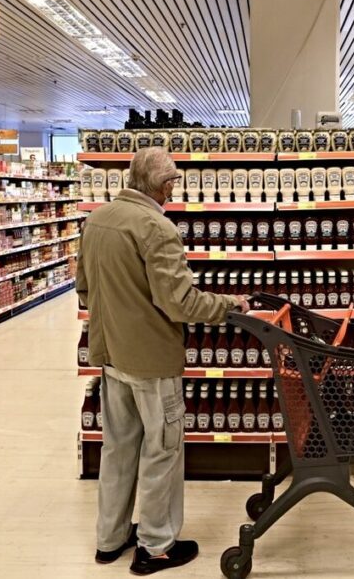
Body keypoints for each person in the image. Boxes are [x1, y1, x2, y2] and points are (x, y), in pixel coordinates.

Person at [76, 147, 249, 575]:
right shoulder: (156, 227)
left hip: (111, 355)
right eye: (174, 180)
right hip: (152, 361)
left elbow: (84, 288)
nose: (175, 187)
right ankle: (155, 546)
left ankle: (110, 539)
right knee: (161, 451)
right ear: (165, 185)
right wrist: (230, 304)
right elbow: (180, 302)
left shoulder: (97, 220)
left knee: (118, 449)